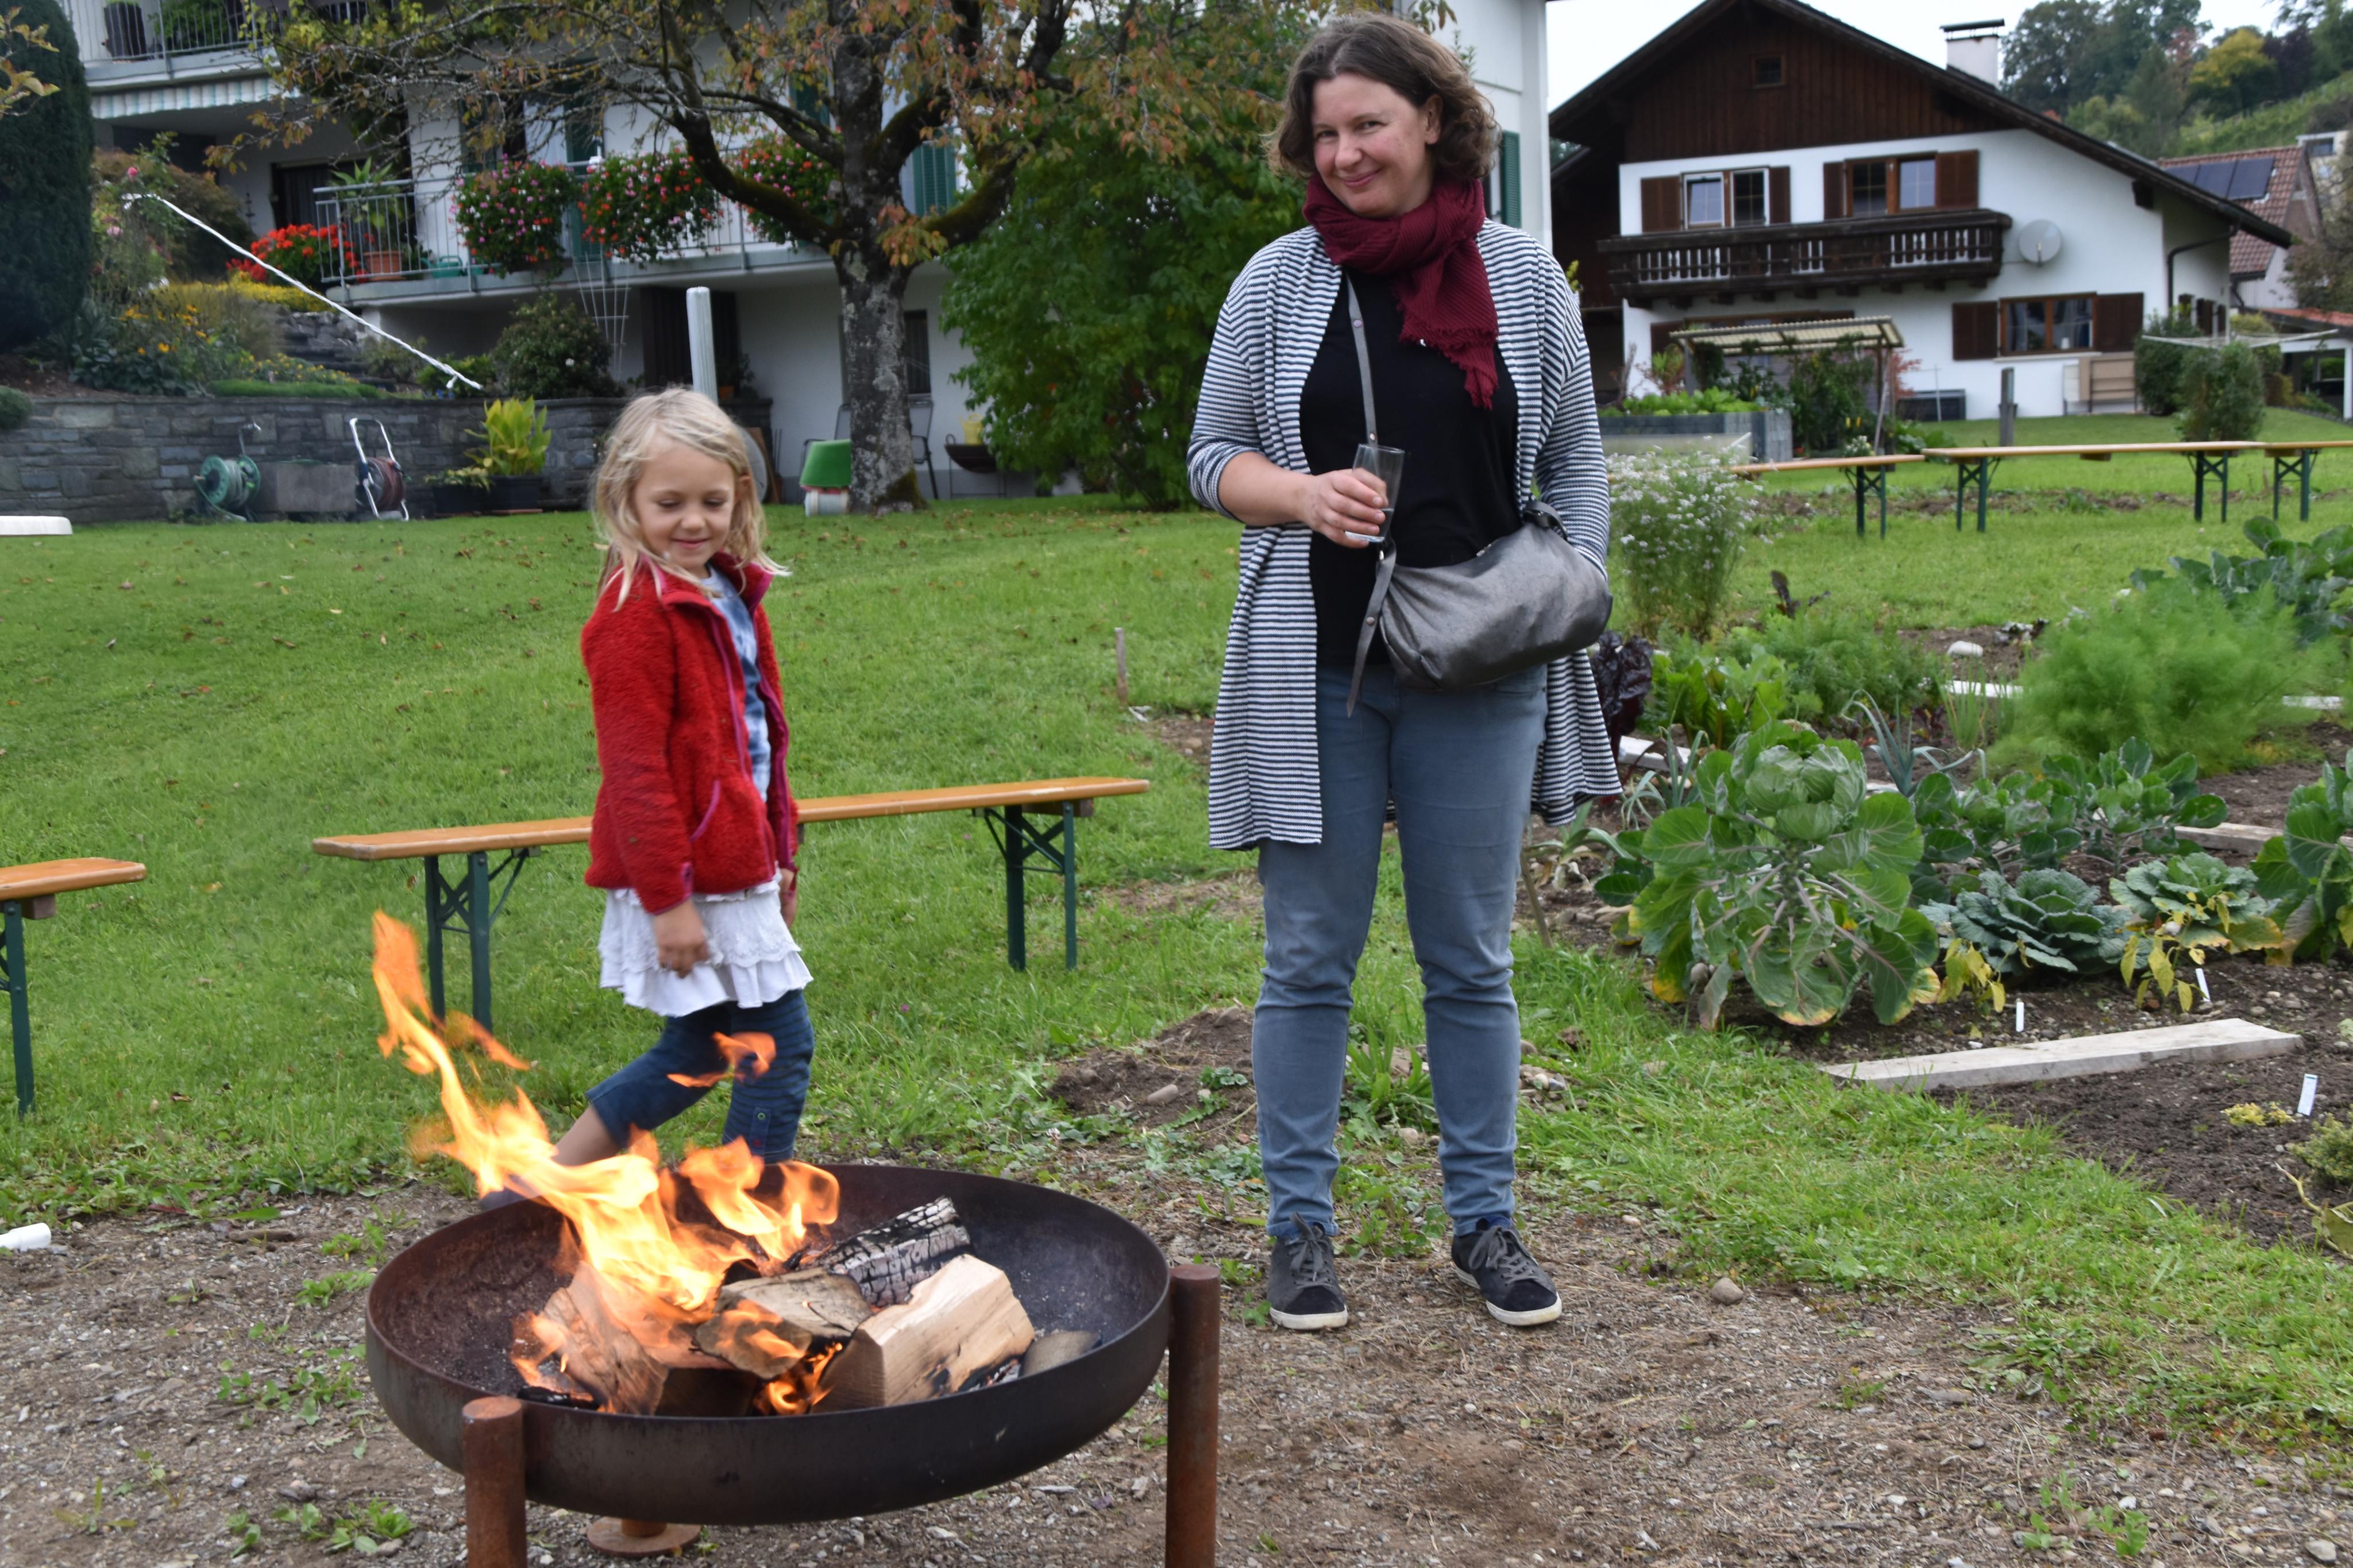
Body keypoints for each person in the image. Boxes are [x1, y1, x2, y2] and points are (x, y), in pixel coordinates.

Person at [1186, 11, 1618, 1331]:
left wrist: (1563, 591)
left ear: (1433, 119)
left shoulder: (1520, 277)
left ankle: (1484, 1224)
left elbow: (1576, 465)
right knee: (1307, 960)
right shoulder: (1275, 282)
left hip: (1479, 664)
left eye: (1366, 124)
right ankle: (1299, 1230)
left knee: (1469, 960)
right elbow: (1209, 458)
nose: (1343, 153)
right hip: (1315, 664)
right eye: (1323, 134)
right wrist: (1300, 495)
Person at [549, 388, 813, 1173]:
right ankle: (747, 1210)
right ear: (624, 500)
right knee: (775, 1043)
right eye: (670, 504)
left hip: (737, 865)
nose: (694, 521)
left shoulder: (733, 593)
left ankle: (538, 1185)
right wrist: (668, 903)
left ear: (741, 496)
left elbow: (761, 741)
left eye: (713, 502)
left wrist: (779, 853)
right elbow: (635, 774)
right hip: (686, 878)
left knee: (698, 1046)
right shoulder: (634, 615)